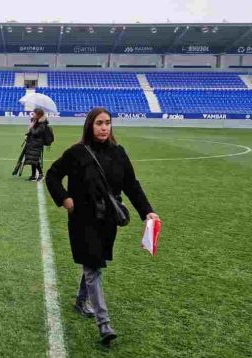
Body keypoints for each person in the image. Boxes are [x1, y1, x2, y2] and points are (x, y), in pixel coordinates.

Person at [45, 107, 159, 345]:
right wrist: (65, 200)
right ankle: (104, 325)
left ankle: (80, 300)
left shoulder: (118, 153)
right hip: (82, 219)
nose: (104, 127)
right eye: (99, 123)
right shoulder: (77, 153)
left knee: (94, 261)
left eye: (107, 123)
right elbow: (53, 174)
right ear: (90, 125)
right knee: (93, 266)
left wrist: (147, 211)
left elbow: (131, 184)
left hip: (108, 219)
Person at [23, 107, 48, 181]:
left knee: (35, 160)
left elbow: (36, 133)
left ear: (38, 114)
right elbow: (31, 132)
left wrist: (31, 128)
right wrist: (27, 134)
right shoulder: (34, 121)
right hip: (32, 143)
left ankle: (41, 174)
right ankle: (33, 175)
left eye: (34, 113)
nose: (32, 114)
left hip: (37, 144)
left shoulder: (42, 123)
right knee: (32, 159)